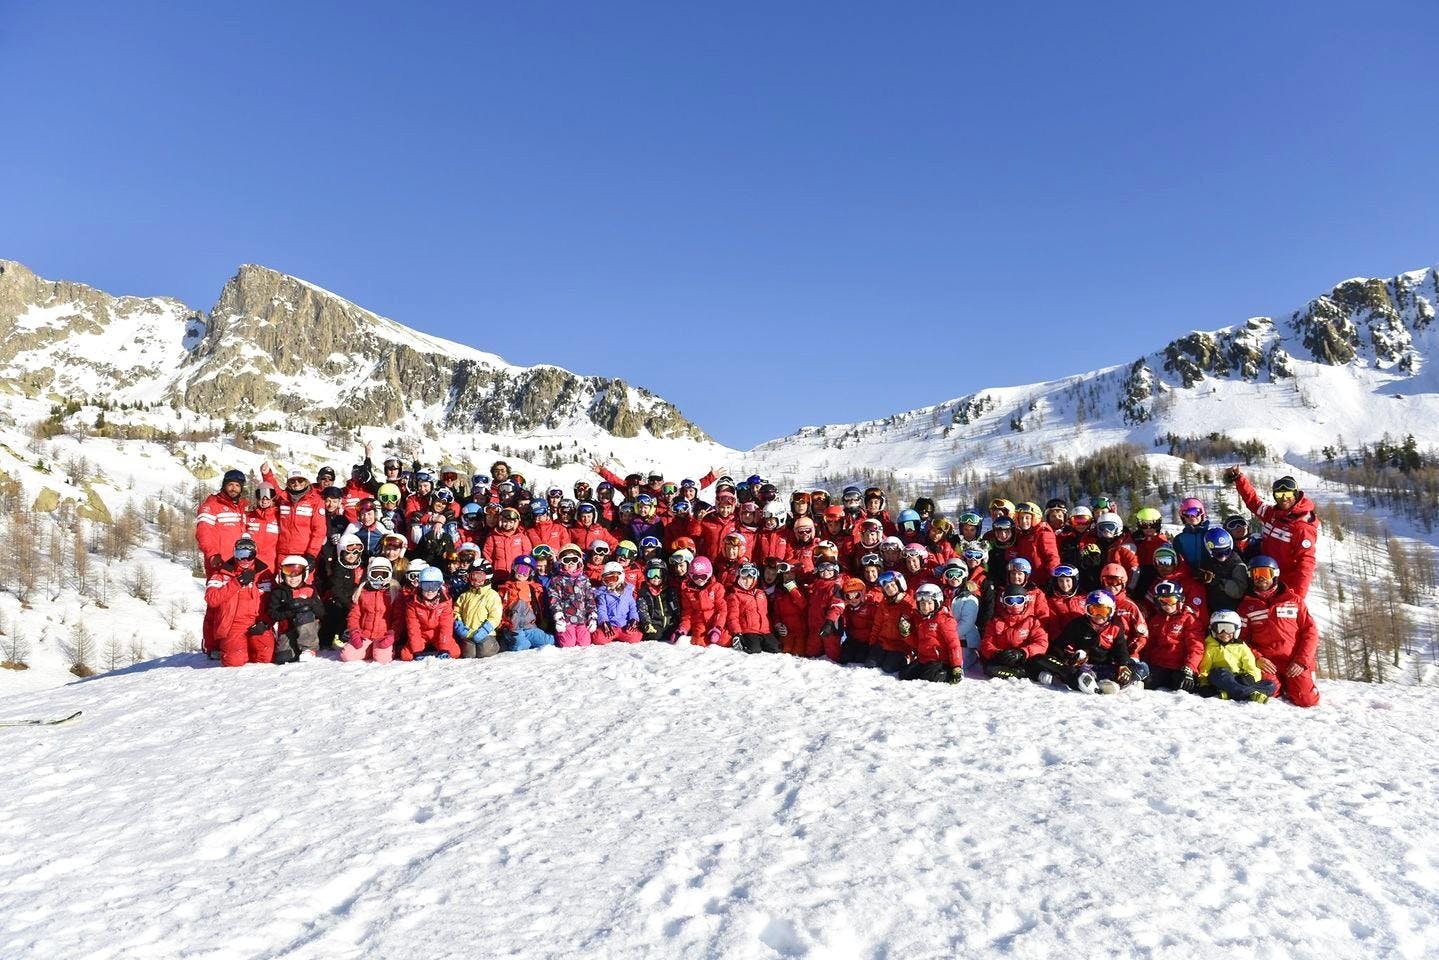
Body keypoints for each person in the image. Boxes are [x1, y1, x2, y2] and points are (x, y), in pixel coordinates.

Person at [1235, 556, 1320, 707]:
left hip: (1293, 660)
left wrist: (1301, 661)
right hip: (1268, 662)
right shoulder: (1247, 606)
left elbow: (1310, 632)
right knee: (1269, 692)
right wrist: (1258, 658)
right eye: (1255, 574)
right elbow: (1242, 640)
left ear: (1275, 574)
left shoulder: (1293, 600)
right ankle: (1282, 685)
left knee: (1307, 700)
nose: (1260, 578)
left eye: (1265, 573)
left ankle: (1301, 682)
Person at [1226, 469, 1319, 598]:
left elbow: (1306, 564)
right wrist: (1239, 479)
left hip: (1284, 586)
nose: (1283, 499)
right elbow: (1253, 502)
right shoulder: (1273, 515)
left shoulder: (1302, 527)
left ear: (1296, 494)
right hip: (1264, 578)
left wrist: (1298, 596)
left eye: (1287, 494)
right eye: (1279, 495)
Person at [197, 468, 250, 655]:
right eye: (230, 484)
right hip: (218, 562)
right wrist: (212, 555)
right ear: (224, 485)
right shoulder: (211, 505)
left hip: (237, 562)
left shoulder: (241, 507)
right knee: (215, 604)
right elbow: (203, 532)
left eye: (237, 485)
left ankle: (226, 640)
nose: (234, 488)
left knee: (233, 602)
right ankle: (211, 645)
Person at [204, 534, 274, 667]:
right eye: (240, 554)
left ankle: (249, 649)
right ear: (234, 554)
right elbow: (211, 599)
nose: (245, 559)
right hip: (233, 625)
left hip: (257, 623)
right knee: (234, 661)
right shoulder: (222, 574)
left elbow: (275, 602)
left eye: (250, 554)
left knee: (266, 657)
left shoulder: (264, 574)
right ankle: (231, 648)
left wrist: (266, 622)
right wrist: (237, 582)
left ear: (255, 554)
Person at [1199, 610, 1279, 702]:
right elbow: (1204, 668)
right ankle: (1249, 693)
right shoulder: (1210, 646)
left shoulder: (1241, 646)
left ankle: (1230, 693)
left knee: (1271, 685)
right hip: (1223, 678)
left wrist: (1252, 677)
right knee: (1218, 672)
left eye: (1229, 629)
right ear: (1213, 629)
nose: (1224, 633)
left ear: (1237, 630)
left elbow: (1250, 664)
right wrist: (1203, 684)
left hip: (1240, 678)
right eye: (1219, 628)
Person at [1142, 581, 1204, 692]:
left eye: (1171, 601)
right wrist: (1145, 662)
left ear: (1180, 600)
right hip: (1159, 666)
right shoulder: (1156, 620)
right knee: (1144, 683)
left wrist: (1190, 667)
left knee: (1184, 687)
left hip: (1179, 667)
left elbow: (1196, 646)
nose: (1167, 606)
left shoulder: (1189, 619)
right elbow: (1149, 645)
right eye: (1163, 601)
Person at [979, 585, 1049, 679]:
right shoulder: (996, 621)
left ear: (1025, 602)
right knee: (989, 668)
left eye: (1019, 600)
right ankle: (1021, 673)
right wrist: (997, 653)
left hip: (1025, 658)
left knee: (1042, 659)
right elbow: (986, 642)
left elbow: (1041, 643)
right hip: (1005, 659)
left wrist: (1022, 652)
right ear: (1004, 603)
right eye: (1010, 601)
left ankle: (1069, 675)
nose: (1015, 604)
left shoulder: (1032, 621)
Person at [342, 557, 401, 663]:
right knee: (347, 656)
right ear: (369, 574)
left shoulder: (393, 592)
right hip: (365, 635)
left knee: (382, 660)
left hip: (383, 636)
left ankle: (386, 650)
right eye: (375, 574)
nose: (379, 578)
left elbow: (398, 618)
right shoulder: (362, 591)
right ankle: (370, 648)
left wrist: (392, 635)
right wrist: (354, 632)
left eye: (383, 575)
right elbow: (354, 615)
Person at [900, 583, 962, 682]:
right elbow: (918, 643)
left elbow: (953, 644)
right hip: (924, 659)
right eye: (922, 604)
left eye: (929, 603)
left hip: (940, 661)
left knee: (928, 677)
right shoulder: (921, 619)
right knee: (904, 674)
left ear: (937, 603)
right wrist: (906, 635)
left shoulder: (944, 620)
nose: (925, 607)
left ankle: (948, 673)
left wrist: (956, 666)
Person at [266, 555, 322, 663]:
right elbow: (272, 613)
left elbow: (321, 612)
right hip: (288, 629)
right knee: (284, 658)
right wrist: (289, 611)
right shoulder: (278, 592)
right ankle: (296, 648)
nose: (293, 577)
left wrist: (309, 603)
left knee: (303, 612)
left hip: (308, 626)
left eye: (297, 573)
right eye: (288, 572)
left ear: (304, 574)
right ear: (282, 574)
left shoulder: (309, 590)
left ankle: (308, 648)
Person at [403, 567, 461, 660]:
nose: (430, 590)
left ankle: (437, 648)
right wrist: (417, 650)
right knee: (406, 655)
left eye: (434, 586)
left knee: (454, 652)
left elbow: (446, 626)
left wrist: (444, 648)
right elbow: (413, 627)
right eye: (426, 586)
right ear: (420, 585)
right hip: (422, 634)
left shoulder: (445, 601)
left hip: (437, 634)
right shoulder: (413, 602)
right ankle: (423, 648)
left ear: (440, 586)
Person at [498, 557, 553, 651]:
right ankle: (510, 640)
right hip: (513, 629)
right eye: (520, 569)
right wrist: (502, 627)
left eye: (526, 571)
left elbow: (539, 607)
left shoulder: (534, 588)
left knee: (549, 641)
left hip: (530, 627)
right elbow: (499, 608)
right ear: (514, 569)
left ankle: (527, 638)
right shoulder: (506, 588)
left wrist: (542, 622)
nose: (522, 574)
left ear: (531, 573)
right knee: (522, 646)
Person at [549, 544, 598, 647]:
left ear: (579, 562)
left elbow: (589, 598)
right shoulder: (557, 580)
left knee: (584, 643)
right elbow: (554, 598)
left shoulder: (584, 579)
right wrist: (558, 616)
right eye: (567, 560)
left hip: (582, 619)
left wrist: (592, 615)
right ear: (561, 562)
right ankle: (560, 635)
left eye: (574, 560)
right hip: (566, 620)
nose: (571, 563)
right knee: (568, 643)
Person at [453, 559, 503, 658]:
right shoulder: (465, 595)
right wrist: (459, 625)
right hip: (468, 633)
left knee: (484, 652)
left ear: (488, 577)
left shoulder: (491, 595)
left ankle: (496, 645)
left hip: (486, 634)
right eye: (472, 576)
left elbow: (495, 616)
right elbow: (456, 611)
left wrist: (485, 629)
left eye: (479, 577)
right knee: (468, 654)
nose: (475, 581)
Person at [678, 556, 728, 647]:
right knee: (698, 642)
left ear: (709, 574)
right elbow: (687, 612)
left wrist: (717, 627)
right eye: (696, 576)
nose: (700, 580)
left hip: (715, 620)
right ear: (691, 575)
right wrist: (683, 628)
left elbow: (722, 609)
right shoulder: (688, 591)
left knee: (725, 640)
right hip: (699, 623)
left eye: (703, 576)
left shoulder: (716, 588)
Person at [871, 570, 915, 675]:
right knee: (871, 663)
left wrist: (912, 650)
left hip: (901, 646)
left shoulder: (909, 605)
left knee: (888, 668)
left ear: (899, 584)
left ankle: (905, 659)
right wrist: (872, 643)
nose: (890, 588)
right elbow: (877, 625)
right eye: (887, 587)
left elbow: (916, 629)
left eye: (892, 585)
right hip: (884, 643)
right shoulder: (884, 604)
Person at [728, 563, 776, 653]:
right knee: (754, 649)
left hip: (764, 630)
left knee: (775, 648)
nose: (747, 582)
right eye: (744, 579)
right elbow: (732, 617)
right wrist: (737, 633)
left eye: (750, 579)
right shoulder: (735, 595)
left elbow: (765, 613)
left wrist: (771, 629)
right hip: (748, 630)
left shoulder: (761, 593)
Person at [1199, 528, 1250, 613]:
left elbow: (1239, 592)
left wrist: (1220, 581)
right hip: (1212, 607)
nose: (1223, 556)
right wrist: (1199, 576)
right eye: (1218, 553)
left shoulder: (1237, 565)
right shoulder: (1208, 562)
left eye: (1226, 551)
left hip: (1232, 609)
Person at [593, 562, 642, 644]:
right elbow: (602, 609)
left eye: (613, 578)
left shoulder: (628, 592)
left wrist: (634, 619)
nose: (610, 582)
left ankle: (622, 634)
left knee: (635, 638)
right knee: (598, 639)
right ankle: (610, 633)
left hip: (624, 625)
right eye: (607, 580)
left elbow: (633, 608)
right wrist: (604, 622)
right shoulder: (603, 594)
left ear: (621, 577)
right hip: (610, 625)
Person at [638, 559, 682, 643]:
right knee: (654, 635)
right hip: (655, 624)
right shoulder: (645, 592)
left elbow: (676, 608)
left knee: (678, 635)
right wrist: (647, 623)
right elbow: (643, 610)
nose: (656, 577)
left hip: (670, 624)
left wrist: (678, 620)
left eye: (659, 574)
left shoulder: (669, 591)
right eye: (652, 573)